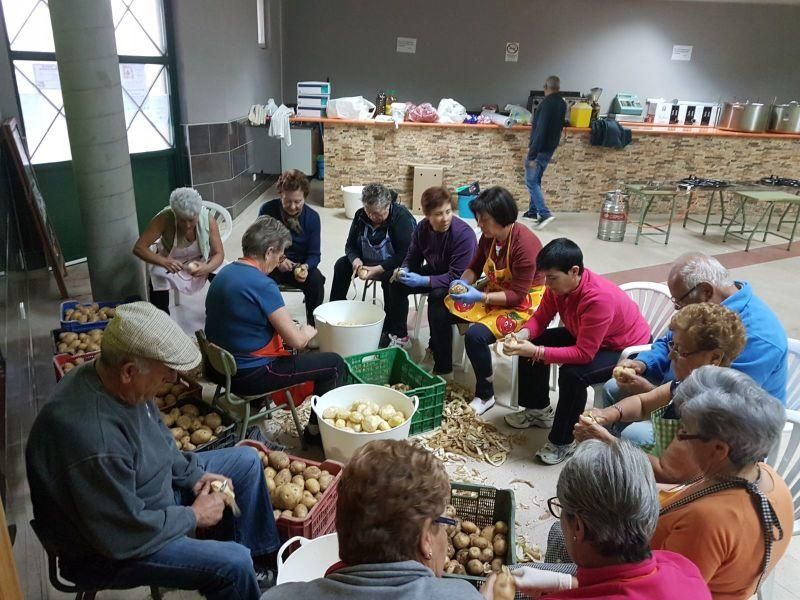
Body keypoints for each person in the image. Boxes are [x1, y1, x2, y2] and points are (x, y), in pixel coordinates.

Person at [26, 302, 280, 599]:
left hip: (142, 500)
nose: (171, 381)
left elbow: (160, 441)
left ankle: (255, 570)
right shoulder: (92, 438)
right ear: (129, 371)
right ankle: (237, 573)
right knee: (232, 563)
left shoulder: (123, 385)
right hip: (109, 548)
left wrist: (194, 474)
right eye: (165, 374)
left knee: (247, 461)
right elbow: (122, 534)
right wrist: (192, 516)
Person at [601, 252, 788, 447]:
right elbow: (667, 342)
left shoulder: (758, 338)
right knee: (614, 388)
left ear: (706, 291)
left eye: (679, 302)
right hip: (682, 390)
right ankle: (618, 453)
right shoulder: (702, 311)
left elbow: (718, 405)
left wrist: (654, 394)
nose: (677, 308)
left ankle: (628, 460)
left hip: (723, 421)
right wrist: (643, 364)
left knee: (635, 435)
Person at [263, 440, 485, 600]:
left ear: (340, 526)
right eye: (444, 525)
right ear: (426, 538)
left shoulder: (278, 596)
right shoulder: (463, 595)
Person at [503, 238, 651, 465]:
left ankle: (563, 441)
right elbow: (541, 317)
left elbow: (584, 354)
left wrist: (538, 351)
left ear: (574, 271)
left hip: (622, 347)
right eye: (546, 278)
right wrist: (523, 336)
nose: (548, 285)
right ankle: (538, 409)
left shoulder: (598, 298)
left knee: (573, 375)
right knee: (532, 346)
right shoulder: (558, 287)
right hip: (586, 333)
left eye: (552, 278)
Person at [650, 366, 792, 600]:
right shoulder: (766, 476)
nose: (679, 438)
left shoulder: (706, 521)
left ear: (718, 449)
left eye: (684, 432)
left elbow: (664, 594)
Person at [505, 441, 711, 600]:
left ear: (578, 526)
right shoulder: (682, 568)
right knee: (557, 534)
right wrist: (568, 582)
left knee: (509, 576)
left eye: (561, 509)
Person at [205, 216, 346, 443]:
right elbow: (297, 342)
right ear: (269, 252)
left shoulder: (224, 273)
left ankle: (259, 402)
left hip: (218, 367)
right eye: (280, 256)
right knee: (334, 364)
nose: (280, 262)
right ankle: (315, 435)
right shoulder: (262, 284)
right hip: (249, 374)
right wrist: (308, 332)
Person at [575, 303, 747, 483]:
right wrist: (606, 414)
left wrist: (608, 442)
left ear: (714, 358)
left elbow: (668, 473)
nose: (671, 356)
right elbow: (643, 404)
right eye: (673, 345)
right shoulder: (691, 382)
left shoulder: (710, 411)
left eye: (681, 351)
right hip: (666, 458)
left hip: (684, 487)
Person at [444, 186, 545, 415]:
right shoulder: (489, 238)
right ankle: (444, 366)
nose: (479, 224)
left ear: (503, 218)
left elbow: (517, 295)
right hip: (495, 289)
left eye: (485, 220)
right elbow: (474, 266)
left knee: (476, 335)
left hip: (523, 302)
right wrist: (461, 284)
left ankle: (485, 393)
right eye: (478, 218)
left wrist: (479, 296)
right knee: (445, 306)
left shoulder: (525, 245)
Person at [395, 186, 477, 373]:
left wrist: (424, 281)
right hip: (436, 270)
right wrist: (405, 270)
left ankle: (443, 365)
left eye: (448, 211)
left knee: (438, 297)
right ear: (427, 215)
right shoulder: (422, 228)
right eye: (438, 214)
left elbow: (457, 276)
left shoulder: (463, 234)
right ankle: (400, 335)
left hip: (460, 282)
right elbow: (413, 255)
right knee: (395, 283)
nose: (445, 218)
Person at [330, 183, 417, 348]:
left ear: (388, 205)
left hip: (394, 262)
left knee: (392, 278)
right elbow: (350, 245)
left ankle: (395, 330)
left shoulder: (401, 218)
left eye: (377, 213)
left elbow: (404, 255)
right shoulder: (360, 216)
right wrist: (355, 260)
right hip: (366, 260)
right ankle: (336, 312)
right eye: (368, 211)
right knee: (341, 265)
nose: (372, 217)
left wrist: (378, 269)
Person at [133, 187, 224, 314]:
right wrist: (163, 261)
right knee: (158, 277)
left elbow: (219, 253)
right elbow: (139, 248)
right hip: (170, 260)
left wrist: (206, 268)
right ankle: (162, 320)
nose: (187, 225)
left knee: (223, 277)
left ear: (198, 214)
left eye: (191, 220)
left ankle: (219, 312)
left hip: (201, 258)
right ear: (174, 213)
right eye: (182, 220)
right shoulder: (164, 219)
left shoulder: (208, 219)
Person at [258, 170, 324, 327]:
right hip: (272, 265)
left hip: (299, 267)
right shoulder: (267, 210)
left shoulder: (313, 217)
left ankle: (312, 324)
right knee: (259, 282)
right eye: (287, 201)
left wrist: (305, 267)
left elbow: (315, 254)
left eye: (298, 201)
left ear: (305, 197)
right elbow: (259, 245)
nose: (293, 206)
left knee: (316, 280)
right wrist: (278, 260)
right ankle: (267, 323)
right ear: (280, 195)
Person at [522, 75, 566, 229]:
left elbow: (540, 131)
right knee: (537, 179)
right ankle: (532, 212)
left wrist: (532, 155)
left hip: (539, 149)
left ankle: (544, 214)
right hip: (549, 148)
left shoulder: (546, 104)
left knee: (531, 181)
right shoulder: (562, 103)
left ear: (546, 87)